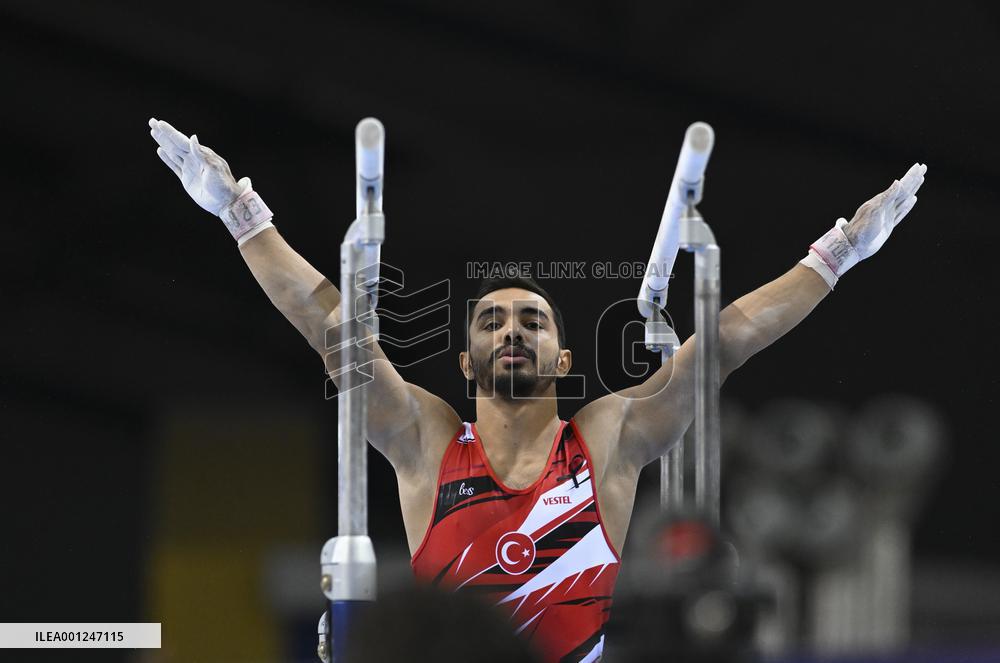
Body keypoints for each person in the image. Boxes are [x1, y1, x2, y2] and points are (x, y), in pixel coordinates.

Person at [148, 117, 926, 662]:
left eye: (532, 320)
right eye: (492, 321)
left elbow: (725, 341)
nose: (512, 329)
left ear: (562, 360)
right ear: (464, 361)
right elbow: (329, 326)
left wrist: (838, 251)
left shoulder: (608, 438)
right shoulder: (426, 442)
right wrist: (241, 212)